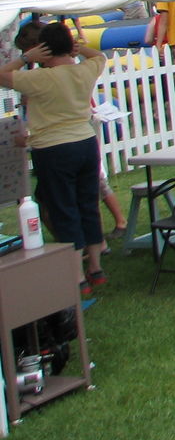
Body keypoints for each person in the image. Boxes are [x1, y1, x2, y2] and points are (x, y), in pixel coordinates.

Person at [0, 22, 109, 294]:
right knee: (88, 204)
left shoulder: (39, 78)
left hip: (53, 148)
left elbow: (1, 75)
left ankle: (77, 278)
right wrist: (79, 47)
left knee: (63, 209)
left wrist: (26, 59)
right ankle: (95, 268)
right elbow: (100, 57)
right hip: (85, 143)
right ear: (68, 46)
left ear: (42, 49)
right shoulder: (83, 71)